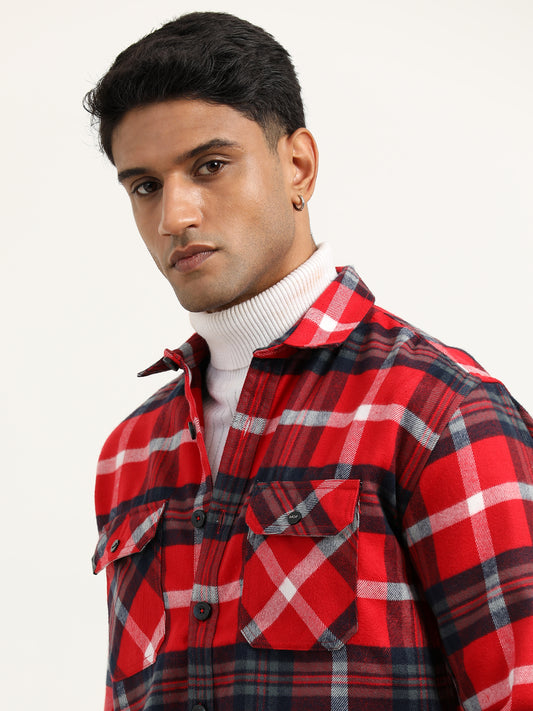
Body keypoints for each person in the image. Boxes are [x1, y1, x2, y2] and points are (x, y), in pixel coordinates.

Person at [85, 11, 533, 711]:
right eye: (144, 186)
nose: (175, 216)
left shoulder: (437, 412)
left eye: (210, 167)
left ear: (297, 166)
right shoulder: (133, 451)